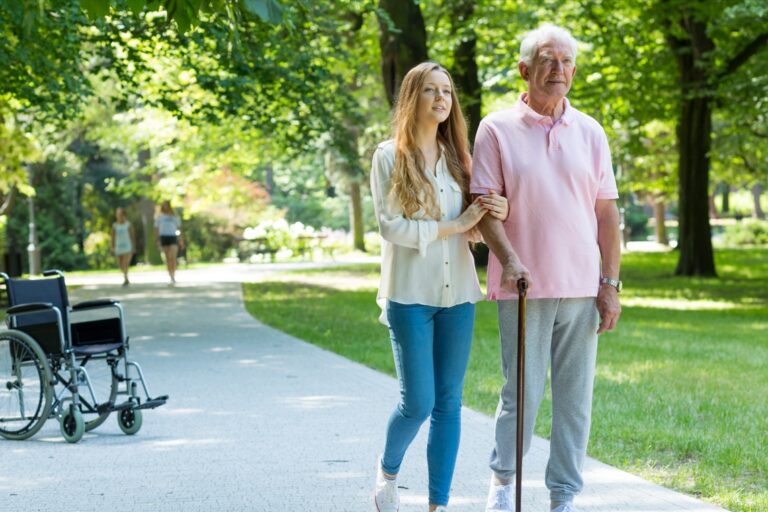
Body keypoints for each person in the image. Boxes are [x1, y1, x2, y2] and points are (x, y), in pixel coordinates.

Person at [470, 24, 622, 512]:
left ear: (574, 70)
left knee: (574, 401)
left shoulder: (592, 131)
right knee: (523, 394)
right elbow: (484, 206)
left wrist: (610, 283)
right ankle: (502, 482)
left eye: (566, 61)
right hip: (523, 286)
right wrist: (510, 260)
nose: (558, 70)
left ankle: (563, 496)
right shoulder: (495, 129)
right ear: (525, 69)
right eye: (547, 60)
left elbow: (606, 213)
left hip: (580, 286)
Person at [370, 61, 509, 512]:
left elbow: (474, 228)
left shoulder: (459, 160)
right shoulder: (388, 156)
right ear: (413, 97)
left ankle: (438, 505)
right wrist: (455, 224)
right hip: (408, 296)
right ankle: (388, 471)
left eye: (446, 91)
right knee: (419, 402)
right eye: (430, 90)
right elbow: (392, 228)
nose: (440, 99)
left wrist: (497, 211)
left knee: (449, 402)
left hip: (458, 297)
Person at [154, 200, 184, 285]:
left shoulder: (174, 216)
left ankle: (174, 275)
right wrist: (157, 239)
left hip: (173, 237)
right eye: (164, 205)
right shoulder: (159, 217)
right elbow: (156, 229)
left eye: (167, 205)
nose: (165, 207)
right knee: (167, 258)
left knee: (172, 257)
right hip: (163, 237)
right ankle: (170, 275)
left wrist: (181, 239)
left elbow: (179, 228)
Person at [111, 207, 136, 286]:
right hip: (118, 246)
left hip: (127, 246)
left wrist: (133, 246)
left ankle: (126, 278)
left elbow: (132, 236)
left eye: (120, 214)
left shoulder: (128, 224)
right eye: (117, 214)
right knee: (120, 264)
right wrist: (112, 246)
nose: (119, 216)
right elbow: (113, 237)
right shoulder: (115, 225)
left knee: (125, 262)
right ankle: (125, 275)